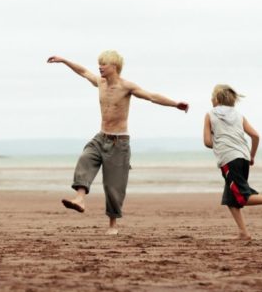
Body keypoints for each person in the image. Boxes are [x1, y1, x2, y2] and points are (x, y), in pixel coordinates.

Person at [48, 51, 189, 235]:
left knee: (113, 186)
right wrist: (64, 60)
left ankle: (113, 225)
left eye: (103, 64)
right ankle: (80, 199)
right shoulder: (100, 83)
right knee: (85, 158)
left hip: (119, 142)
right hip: (101, 137)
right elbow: (83, 71)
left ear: (114, 67)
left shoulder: (126, 87)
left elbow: (151, 96)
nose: (100, 67)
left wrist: (175, 104)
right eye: (99, 63)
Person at [202, 84, 262, 241]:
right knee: (230, 199)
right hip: (244, 157)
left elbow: (207, 142)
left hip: (229, 159)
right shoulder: (239, 116)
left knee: (241, 197)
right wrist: (252, 156)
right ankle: (243, 233)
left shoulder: (210, 115)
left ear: (217, 99)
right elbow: (255, 136)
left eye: (212, 97)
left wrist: (219, 143)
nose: (211, 100)